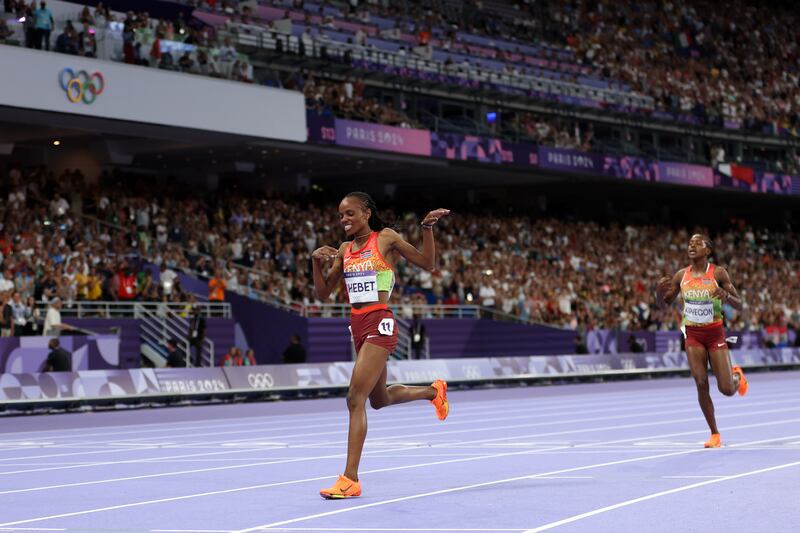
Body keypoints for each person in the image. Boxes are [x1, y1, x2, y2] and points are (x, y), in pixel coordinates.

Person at [312, 191, 450, 499]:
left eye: (349, 213)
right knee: (379, 400)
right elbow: (323, 295)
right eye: (340, 215)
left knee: (354, 397)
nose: (343, 220)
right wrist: (314, 263)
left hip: (379, 322)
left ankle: (350, 479)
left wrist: (426, 230)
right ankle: (433, 391)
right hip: (357, 325)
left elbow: (428, 263)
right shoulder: (345, 249)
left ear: (366, 213)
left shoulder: (385, 238)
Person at [656, 234, 748, 448]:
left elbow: (740, 304)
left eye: (698, 243)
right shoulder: (681, 276)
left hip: (715, 334)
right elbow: (664, 305)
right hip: (693, 335)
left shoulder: (718, 272)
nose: (692, 245)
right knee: (700, 382)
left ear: (707, 250)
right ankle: (715, 434)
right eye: (690, 243)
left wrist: (726, 296)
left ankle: (736, 376)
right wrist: (659, 296)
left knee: (726, 389)